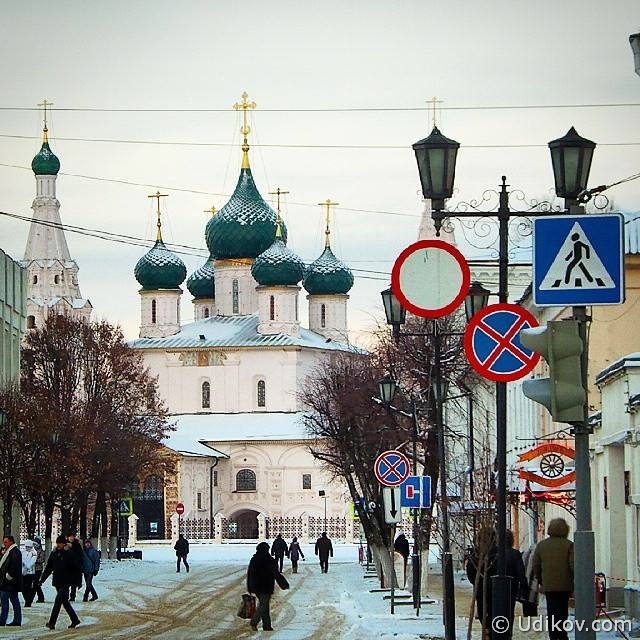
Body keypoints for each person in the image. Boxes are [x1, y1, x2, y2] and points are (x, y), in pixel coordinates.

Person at [533, 518, 574, 640]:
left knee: (552, 610)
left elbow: (536, 565)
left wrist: (540, 579)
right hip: (565, 585)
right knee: (562, 611)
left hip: (549, 585)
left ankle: (553, 635)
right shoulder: (569, 545)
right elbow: (573, 565)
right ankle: (562, 635)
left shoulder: (542, 545)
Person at [40, 535, 81, 630]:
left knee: (58, 601)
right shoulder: (54, 553)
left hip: (66, 581)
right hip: (57, 581)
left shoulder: (69, 553)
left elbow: (76, 568)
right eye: (57, 543)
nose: (58, 545)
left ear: (64, 543)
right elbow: (49, 567)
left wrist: (77, 581)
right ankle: (75, 619)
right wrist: (42, 579)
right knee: (65, 602)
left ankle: (52, 623)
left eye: (60, 543)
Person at [465, 527, 496, 638]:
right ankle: (490, 631)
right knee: (493, 612)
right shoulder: (497, 553)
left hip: (480, 589)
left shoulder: (476, 554)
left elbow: (470, 572)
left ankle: (487, 630)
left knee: (483, 612)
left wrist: (476, 582)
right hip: (495, 589)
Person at [247, 542, 279, 632]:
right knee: (263, 605)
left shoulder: (254, 559)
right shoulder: (270, 560)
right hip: (266, 586)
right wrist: (283, 583)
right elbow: (276, 573)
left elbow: (250, 573)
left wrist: (249, 586)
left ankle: (267, 625)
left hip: (256, 587)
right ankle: (254, 622)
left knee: (264, 605)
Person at [505, 530, 528, 636]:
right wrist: (524, 588)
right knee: (509, 612)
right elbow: (521, 573)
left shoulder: (494, 553)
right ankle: (508, 634)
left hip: (495, 589)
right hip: (511, 588)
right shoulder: (515, 554)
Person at [0, 535, 23, 627]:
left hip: (9, 582)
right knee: (14, 600)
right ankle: (17, 620)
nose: (4, 544)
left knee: (5, 601)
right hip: (10, 582)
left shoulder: (14, 552)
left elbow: (13, 566)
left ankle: (2, 620)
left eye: (6, 542)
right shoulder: (10, 551)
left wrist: (8, 576)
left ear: (11, 542)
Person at [67, 532, 85, 602]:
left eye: (72, 537)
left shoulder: (77, 545)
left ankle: (72, 596)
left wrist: (79, 565)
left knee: (73, 583)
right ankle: (66, 596)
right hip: (67, 567)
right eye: (70, 537)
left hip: (75, 567)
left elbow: (81, 556)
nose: (71, 538)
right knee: (66, 583)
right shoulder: (65, 545)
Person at [21, 539, 37, 607]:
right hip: (23, 573)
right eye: (26, 546)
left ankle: (28, 601)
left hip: (30, 573)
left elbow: (31, 563)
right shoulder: (23, 552)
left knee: (28, 588)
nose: (27, 548)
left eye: (29, 547)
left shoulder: (34, 553)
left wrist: (25, 565)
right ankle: (27, 600)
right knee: (23, 588)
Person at [32, 538, 46, 603]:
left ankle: (40, 597)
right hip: (33, 569)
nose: (35, 545)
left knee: (36, 583)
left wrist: (35, 560)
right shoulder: (32, 551)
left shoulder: (41, 551)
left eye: (36, 544)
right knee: (35, 584)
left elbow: (42, 559)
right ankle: (40, 597)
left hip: (38, 569)